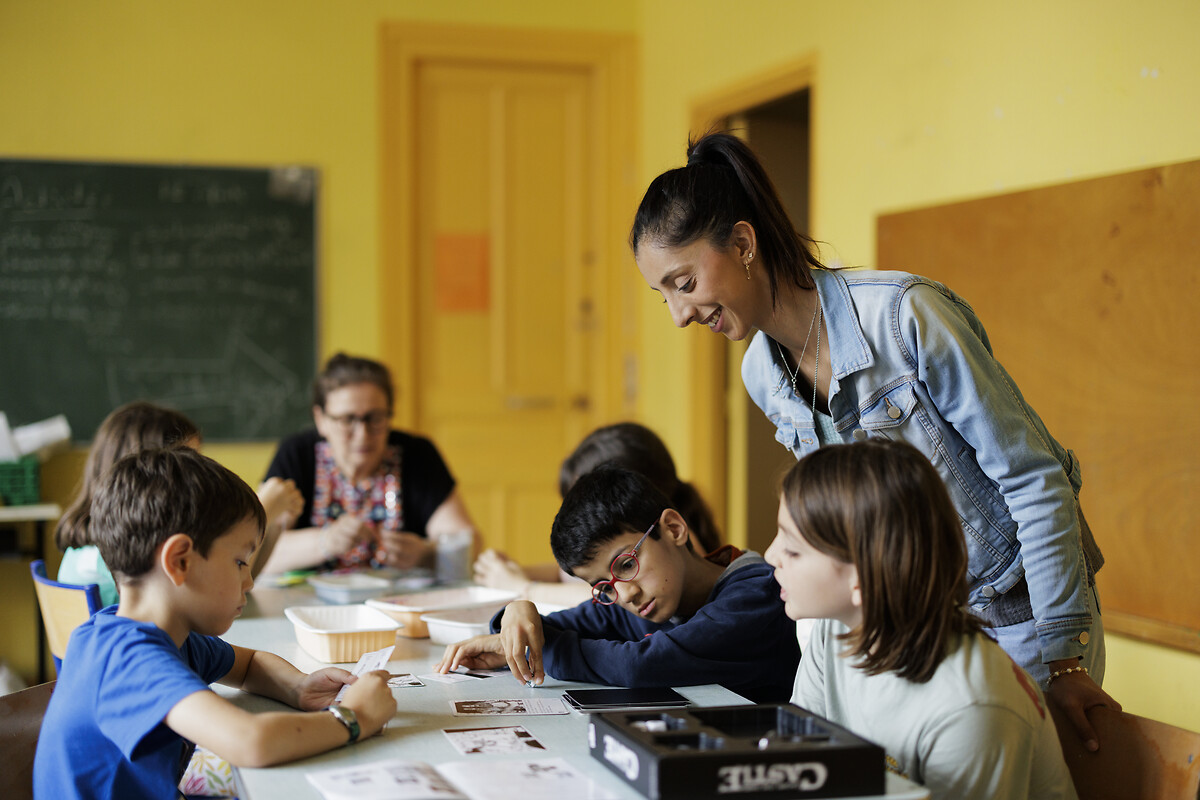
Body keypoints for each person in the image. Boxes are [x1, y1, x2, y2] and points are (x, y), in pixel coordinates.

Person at [629, 131, 1117, 747]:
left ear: (744, 244)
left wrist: (1065, 657)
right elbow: (839, 523)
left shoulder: (906, 317)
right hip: (916, 629)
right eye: (663, 295)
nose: (679, 314)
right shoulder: (762, 373)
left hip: (1017, 610)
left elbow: (1033, 479)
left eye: (684, 282)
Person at [33, 447, 397, 800]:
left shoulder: (163, 636)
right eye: (240, 561)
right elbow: (249, 741)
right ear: (179, 561)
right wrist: (356, 718)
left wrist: (298, 686)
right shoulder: (126, 658)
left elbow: (248, 665)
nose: (249, 581)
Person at [768, 440, 1079, 799]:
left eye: (792, 549)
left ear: (862, 577)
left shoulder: (971, 707)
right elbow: (800, 760)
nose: (771, 555)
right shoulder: (836, 627)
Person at [437, 466, 798, 703]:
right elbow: (562, 627)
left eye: (626, 564)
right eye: (603, 585)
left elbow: (643, 665)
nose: (624, 594)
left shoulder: (757, 594)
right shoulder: (636, 601)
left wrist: (534, 649)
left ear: (673, 529)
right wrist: (517, 615)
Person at [55, 401, 302, 607]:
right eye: (189, 463)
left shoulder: (88, 550)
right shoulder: (120, 561)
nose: (200, 475)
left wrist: (275, 524)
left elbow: (241, 586)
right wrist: (263, 509)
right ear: (149, 470)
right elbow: (222, 600)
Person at [261, 352, 479, 574]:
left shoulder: (417, 454)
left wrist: (426, 554)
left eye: (375, 418)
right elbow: (253, 551)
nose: (362, 435)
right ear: (321, 420)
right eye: (347, 420)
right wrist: (325, 541)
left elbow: (470, 547)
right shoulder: (296, 455)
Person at [474, 422, 722, 607]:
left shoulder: (677, 562)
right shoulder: (634, 550)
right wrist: (509, 572)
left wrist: (523, 588)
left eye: (626, 565)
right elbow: (580, 574)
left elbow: (609, 604)